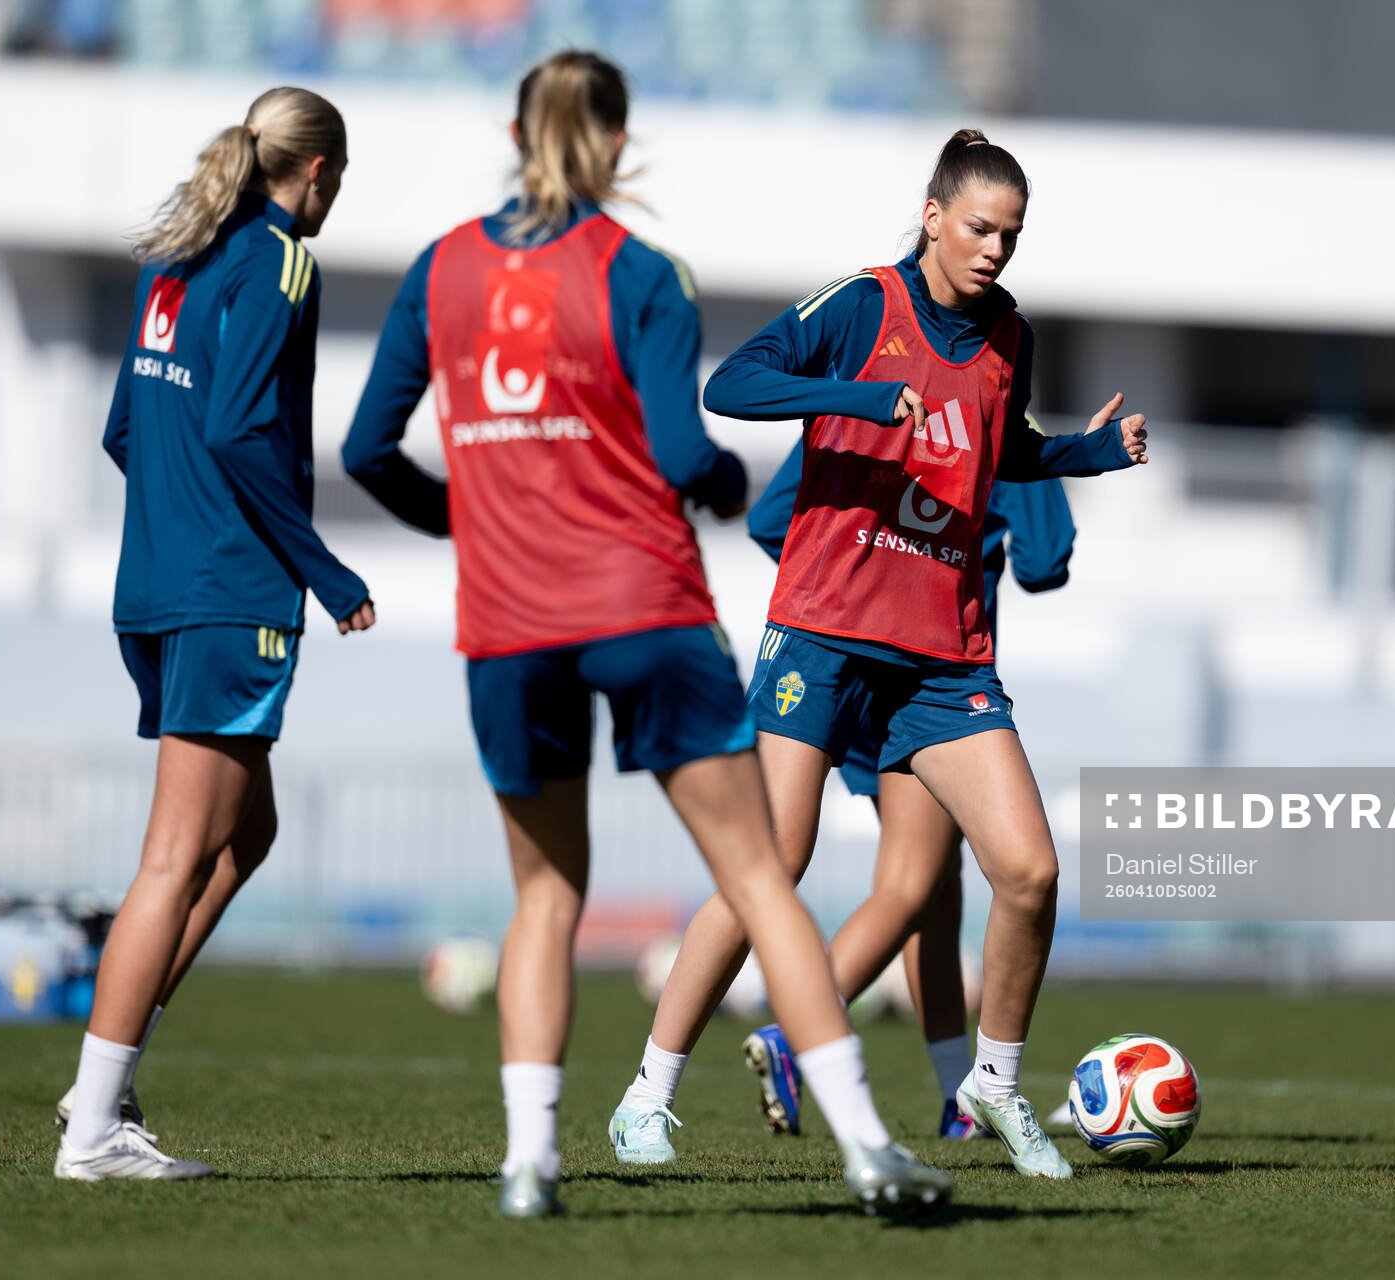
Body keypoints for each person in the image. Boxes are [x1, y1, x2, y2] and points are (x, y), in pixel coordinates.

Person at [341, 50, 951, 1219]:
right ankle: (870, 1146)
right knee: (760, 876)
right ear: (618, 144)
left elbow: (370, 449)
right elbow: (683, 455)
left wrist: (468, 524)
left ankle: (529, 1164)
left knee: (544, 895)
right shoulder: (641, 271)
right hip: (644, 607)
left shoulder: (441, 268)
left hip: (508, 624)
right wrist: (727, 486)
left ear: (514, 131)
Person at [609, 128, 1149, 1180]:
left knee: (1029, 872)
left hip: (946, 656)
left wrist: (1087, 452)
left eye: (1013, 233)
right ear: (935, 215)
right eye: (980, 226)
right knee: (773, 861)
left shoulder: (1010, 337)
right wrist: (856, 398)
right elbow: (734, 384)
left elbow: (1010, 451)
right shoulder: (863, 303)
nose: (995, 248)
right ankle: (648, 1092)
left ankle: (990, 1085)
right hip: (823, 630)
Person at [55, 87, 373, 1182]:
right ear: (318, 174)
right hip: (229, 595)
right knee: (176, 856)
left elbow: (124, 428)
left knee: (248, 837)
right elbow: (242, 429)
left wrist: (175, 527)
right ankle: (94, 1120)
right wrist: (324, 572)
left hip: (151, 587)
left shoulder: (177, 254)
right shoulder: (281, 259)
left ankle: (109, 1061)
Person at [735, 437, 1075, 1141]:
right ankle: (798, 1035)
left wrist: (851, 580)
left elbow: (772, 521)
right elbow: (1044, 564)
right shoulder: (998, 416)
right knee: (912, 883)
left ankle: (958, 1100)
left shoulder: (868, 400)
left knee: (935, 887)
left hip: (834, 663)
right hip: (925, 683)